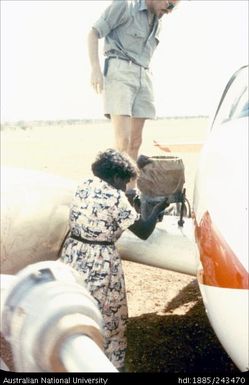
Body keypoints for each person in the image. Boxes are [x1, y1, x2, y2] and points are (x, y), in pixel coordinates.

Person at [60, 148, 169, 371]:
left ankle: (71, 357)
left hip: (73, 253)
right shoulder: (116, 197)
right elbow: (143, 232)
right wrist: (157, 208)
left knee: (77, 308)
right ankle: (106, 364)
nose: (125, 188)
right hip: (100, 261)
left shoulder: (84, 184)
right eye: (124, 183)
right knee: (109, 315)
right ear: (116, 177)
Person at [88, 0, 180, 164]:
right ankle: (117, 186)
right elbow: (93, 33)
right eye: (169, 3)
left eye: (174, 6)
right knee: (122, 141)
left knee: (136, 142)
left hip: (144, 75)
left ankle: (131, 189)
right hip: (120, 70)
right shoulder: (125, 5)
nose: (170, 10)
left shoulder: (158, 22)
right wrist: (95, 68)